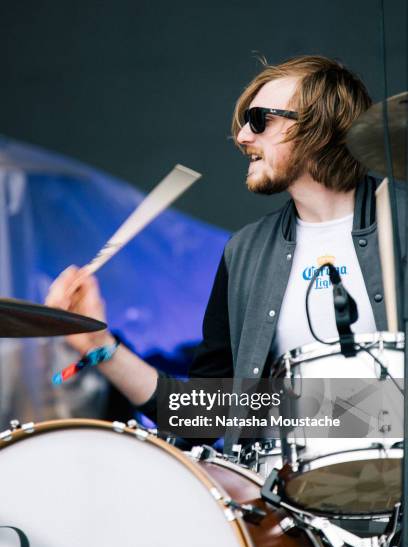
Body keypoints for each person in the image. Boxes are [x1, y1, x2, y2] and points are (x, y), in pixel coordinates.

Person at [46, 55, 398, 452]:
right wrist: (98, 345)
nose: (243, 137)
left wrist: (291, 405)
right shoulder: (246, 252)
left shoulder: (398, 225)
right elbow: (203, 418)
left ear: (319, 126)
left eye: (260, 120)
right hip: (289, 505)